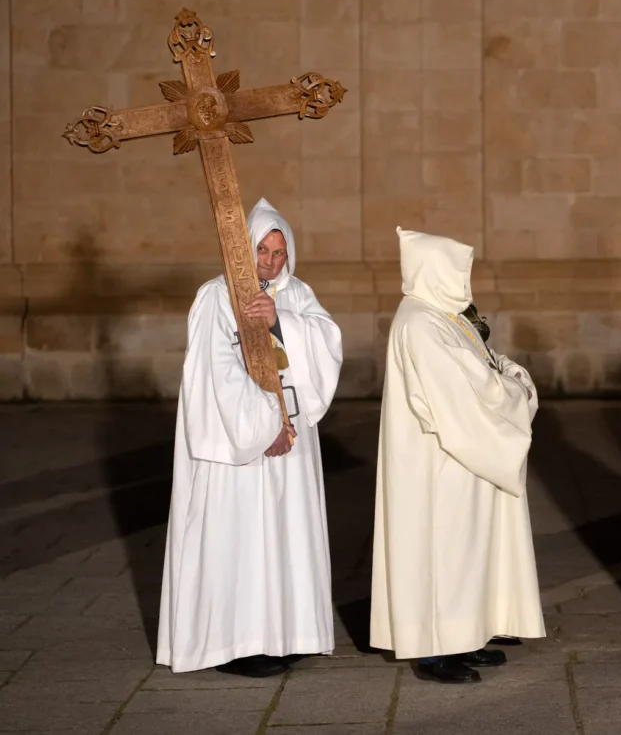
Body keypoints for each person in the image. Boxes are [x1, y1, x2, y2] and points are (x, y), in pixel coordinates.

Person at [157, 198, 344, 677]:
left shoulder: (298, 294)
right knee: (240, 538)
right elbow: (215, 372)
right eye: (261, 248)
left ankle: (289, 632)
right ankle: (238, 643)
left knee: (286, 533)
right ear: (244, 247)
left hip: (292, 442)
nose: (270, 260)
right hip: (239, 446)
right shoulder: (215, 296)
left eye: (279, 252)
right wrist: (264, 428)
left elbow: (326, 345)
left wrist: (281, 319)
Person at [370, 227, 544, 684]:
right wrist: (515, 390)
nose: (464, 281)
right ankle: (434, 650)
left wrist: (506, 375)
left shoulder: (446, 315)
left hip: (460, 460)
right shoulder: (421, 322)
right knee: (442, 551)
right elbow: (463, 394)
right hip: (438, 463)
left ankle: (465, 636)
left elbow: (481, 362)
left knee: (467, 550)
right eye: (456, 270)